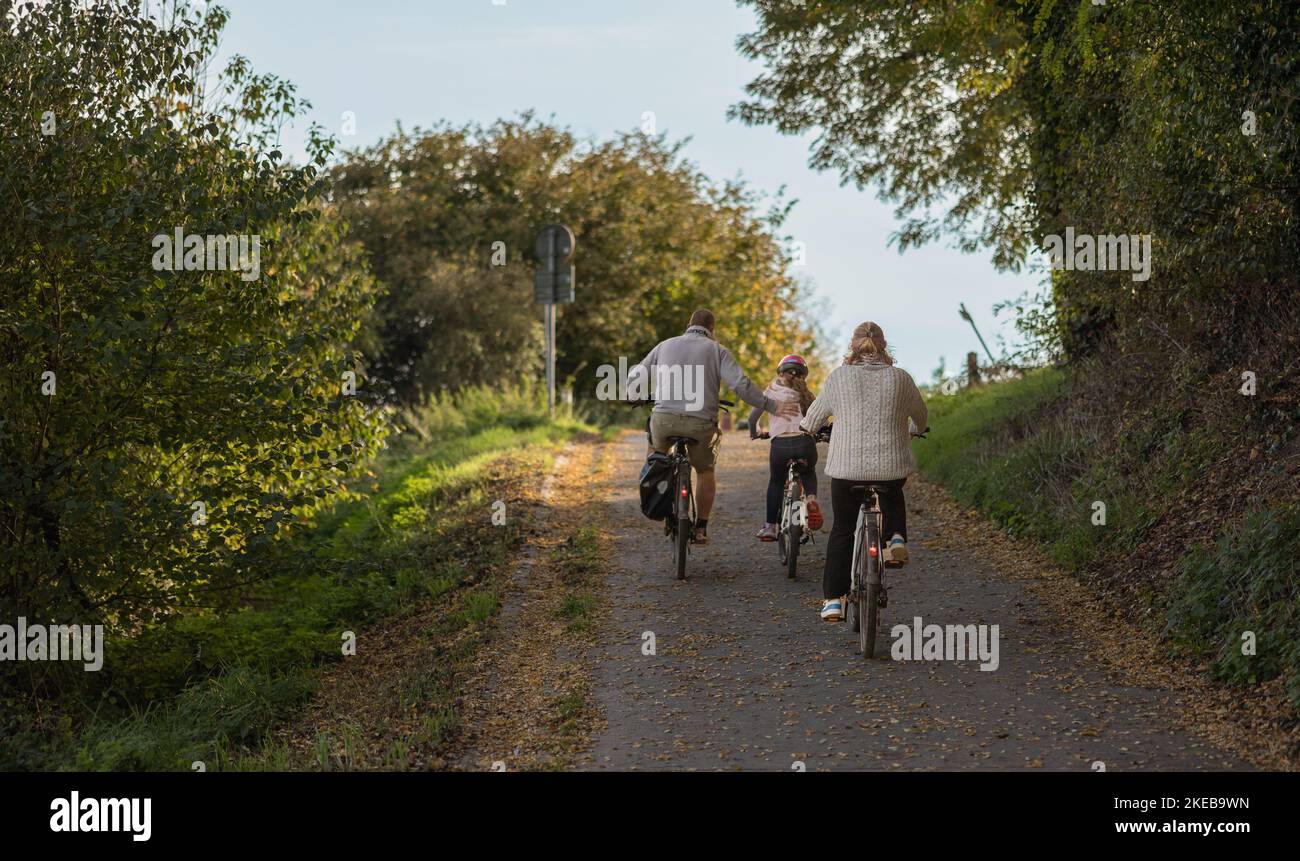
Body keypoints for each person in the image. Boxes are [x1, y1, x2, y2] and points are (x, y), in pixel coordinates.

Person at [629, 309, 799, 544]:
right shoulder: (717, 350)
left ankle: (653, 489)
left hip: (664, 419)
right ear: (712, 329)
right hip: (700, 424)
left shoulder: (664, 345)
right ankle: (701, 528)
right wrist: (770, 405)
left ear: (688, 325)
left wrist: (635, 393)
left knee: (654, 449)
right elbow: (741, 385)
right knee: (705, 470)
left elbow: (635, 375)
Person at [799, 322, 927, 622]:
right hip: (890, 468)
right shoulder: (901, 378)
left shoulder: (838, 378)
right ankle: (896, 539)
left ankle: (833, 600)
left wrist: (808, 429)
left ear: (852, 346)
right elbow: (921, 414)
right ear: (885, 346)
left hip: (847, 471)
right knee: (893, 491)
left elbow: (813, 418)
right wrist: (916, 429)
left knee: (843, 529)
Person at [748, 354, 823, 541]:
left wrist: (755, 432)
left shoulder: (770, 391)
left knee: (776, 482)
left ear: (780, 373)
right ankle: (811, 499)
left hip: (780, 445)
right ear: (803, 376)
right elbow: (819, 419)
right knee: (807, 472)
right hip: (804, 442)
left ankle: (770, 527)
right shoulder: (807, 394)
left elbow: (752, 418)